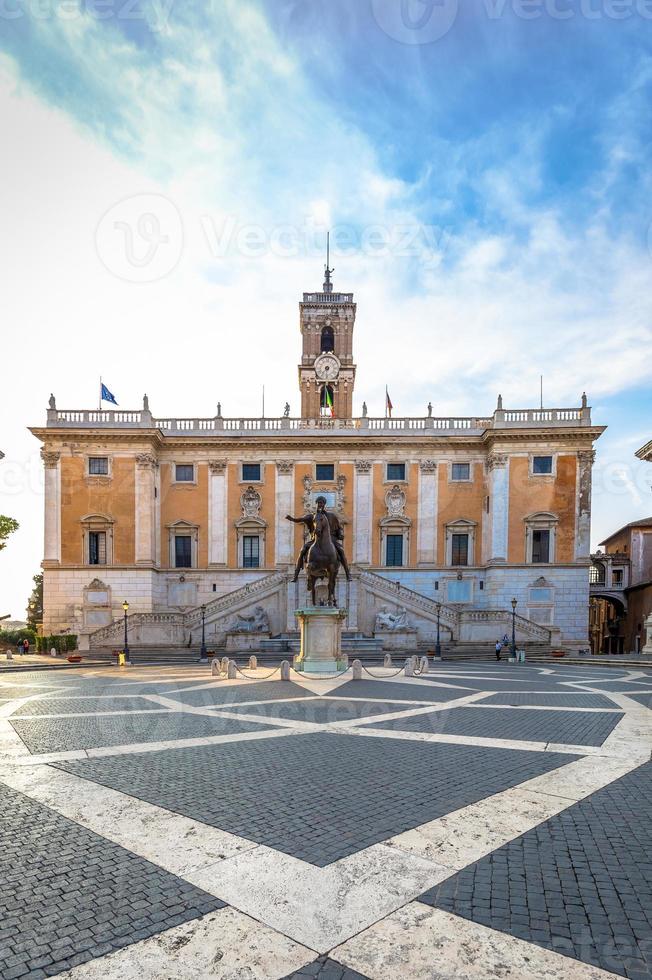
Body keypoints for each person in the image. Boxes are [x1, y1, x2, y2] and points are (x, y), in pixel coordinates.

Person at [286, 496, 351, 582]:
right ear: (316, 504)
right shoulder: (312, 516)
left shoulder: (332, 516)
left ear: (324, 504)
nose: (320, 505)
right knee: (302, 550)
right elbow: (300, 519)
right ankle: (296, 574)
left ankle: (347, 574)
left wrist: (340, 534)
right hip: (315, 539)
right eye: (318, 503)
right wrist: (292, 519)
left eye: (322, 503)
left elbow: (339, 528)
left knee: (341, 551)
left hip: (331, 540)